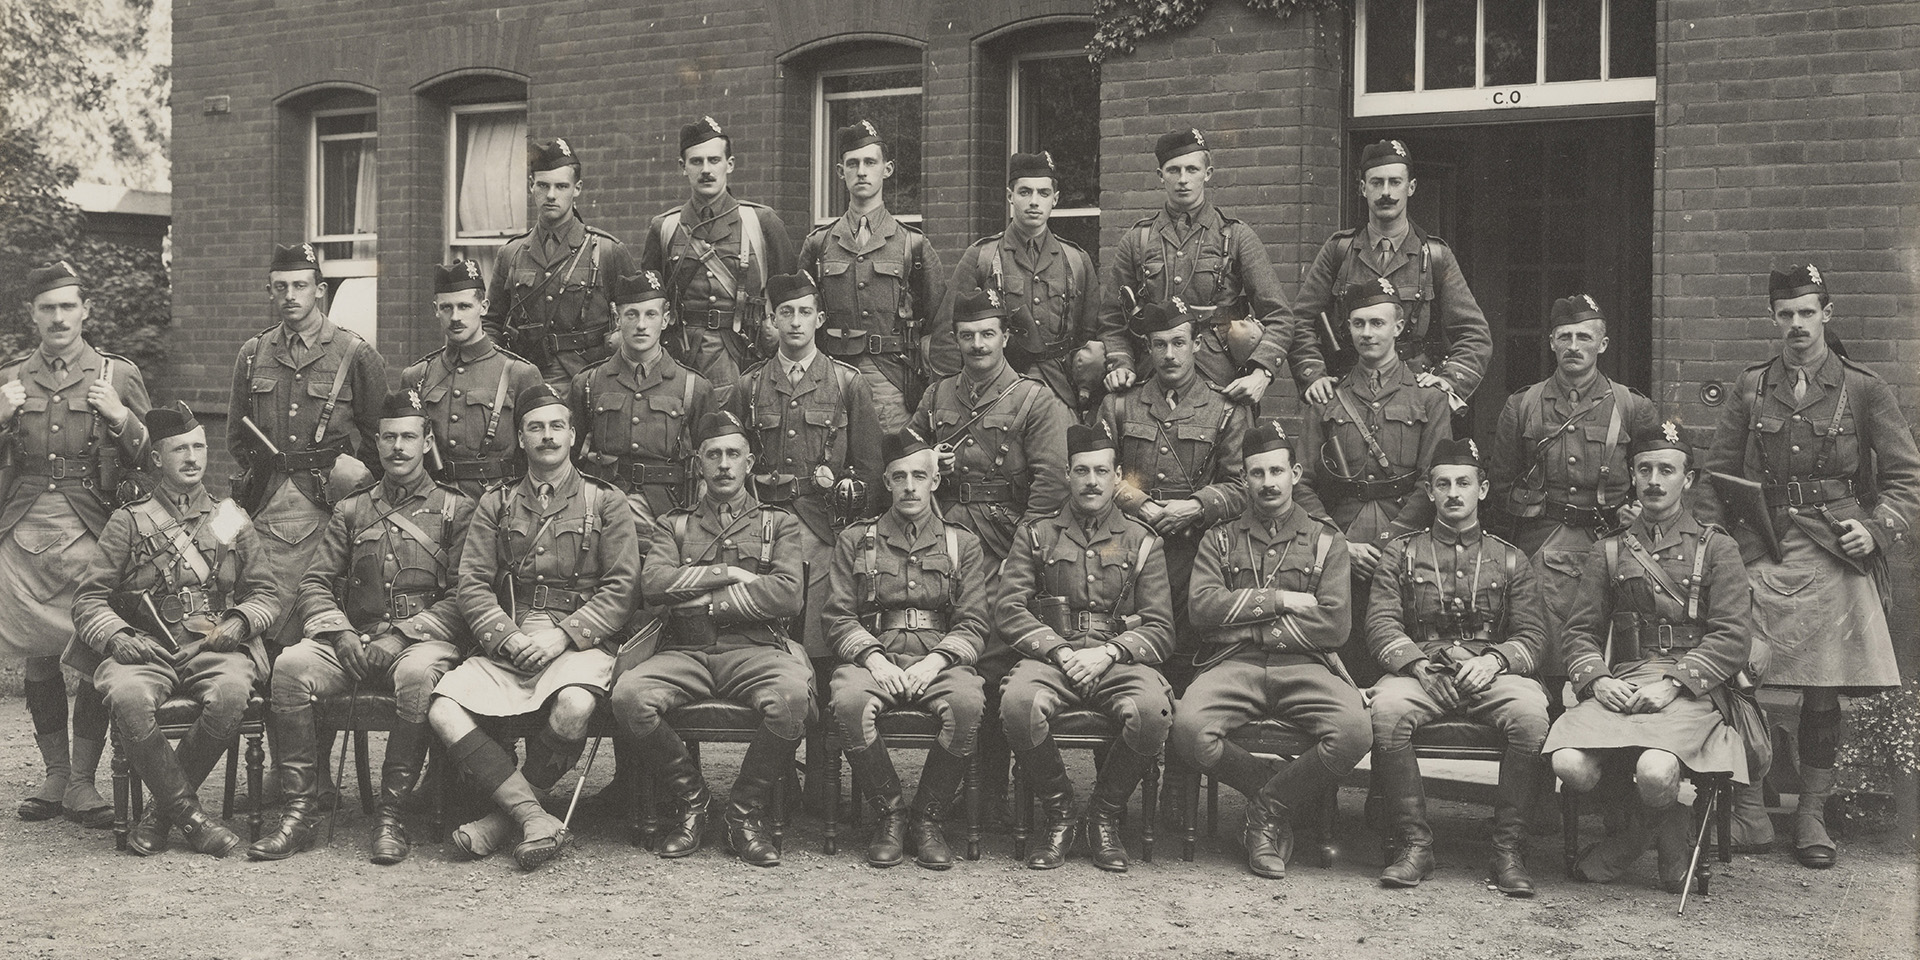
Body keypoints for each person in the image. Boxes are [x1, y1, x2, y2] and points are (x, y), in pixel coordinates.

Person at [1702, 264, 1919, 869]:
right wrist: (1713, 549)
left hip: (1834, 549)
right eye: (1786, 314)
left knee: (1822, 690)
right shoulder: (1752, 386)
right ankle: (1749, 809)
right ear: (1772, 318)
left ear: (1827, 313)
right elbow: (1716, 476)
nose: (1797, 324)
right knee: (1739, 674)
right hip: (1761, 547)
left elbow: (1907, 478)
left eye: (1807, 312)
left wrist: (1876, 529)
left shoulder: (1864, 388)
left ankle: (1811, 815)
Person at [249, 392, 475, 864]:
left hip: (422, 644)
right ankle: (299, 812)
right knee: (290, 665)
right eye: (389, 437)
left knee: (416, 676)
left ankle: (391, 816)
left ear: (426, 442)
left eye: (408, 437)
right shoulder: (352, 509)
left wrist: (402, 636)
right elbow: (315, 582)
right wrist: (339, 632)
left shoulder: (455, 509)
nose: (398, 447)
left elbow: (464, 595)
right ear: (378, 442)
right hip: (356, 641)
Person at [429, 383, 640, 870]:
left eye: (556, 426)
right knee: (443, 708)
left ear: (573, 436)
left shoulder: (606, 502)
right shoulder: (497, 502)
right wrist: (508, 638)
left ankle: (503, 821)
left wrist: (563, 636)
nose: (547, 436)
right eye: (536, 428)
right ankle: (532, 817)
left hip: (579, 644)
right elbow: (472, 584)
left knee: (575, 704)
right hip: (511, 640)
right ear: (520, 438)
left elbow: (623, 588)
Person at [1548, 422, 1758, 891]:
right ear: (1632, 476)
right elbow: (1579, 631)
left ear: (1688, 479)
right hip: (1624, 681)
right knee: (1569, 764)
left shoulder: (1717, 547)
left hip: (1694, 690)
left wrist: (1674, 684)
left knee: (1655, 769)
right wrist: (1597, 680)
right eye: (1644, 470)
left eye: (1667, 470)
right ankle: (1663, 824)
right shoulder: (1609, 549)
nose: (1654, 481)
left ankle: (1639, 840)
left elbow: (1731, 636)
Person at [72, 402, 278, 857]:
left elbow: (266, 593)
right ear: (157, 458)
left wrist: (238, 622)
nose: (192, 457)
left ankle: (161, 816)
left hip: (213, 647)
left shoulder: (229, 517)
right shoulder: (129, 520)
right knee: (127, 697)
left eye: (199, 447)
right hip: (146, 650)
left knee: (232, 693)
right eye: (180, 449)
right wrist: (118, 637)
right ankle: (191, 816)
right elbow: (88, 599)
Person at [1488, 293, 1658, 832]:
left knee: (1617, 669)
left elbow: (1657, 476)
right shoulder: (1523, 406)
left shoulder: (1632, 407)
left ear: (1603, 343)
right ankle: (1537, 794)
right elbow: (1499, 488)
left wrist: (1637, 510)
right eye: (1565, 336)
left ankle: (1615, 800)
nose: (1574, 345)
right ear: (1551, 343)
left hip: (1614, 550)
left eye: (1586, 336)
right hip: (1545, 548)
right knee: (1542, 671)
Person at [1172, 420, 1369, 880]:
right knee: (1188, 729)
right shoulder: (1220, 538)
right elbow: (1203, 609)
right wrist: (1279, 600)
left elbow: (1334, 625)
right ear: (1244, 478)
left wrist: (1249, 630)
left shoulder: (1326, 540)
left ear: (1295, 474)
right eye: (1257, 473)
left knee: (1355, 731)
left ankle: (1267, 808)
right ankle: (1277, 794)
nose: (1268, 483)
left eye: (1277, 471)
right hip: (1233, 666)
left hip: (1305, 665)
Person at [613, 411, 812, 867]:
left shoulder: (778, 524)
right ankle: (693, 801)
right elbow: (654, 583)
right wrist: (731, 573)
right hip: (686, 651)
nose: (724, 464)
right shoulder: (674, 525)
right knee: (629, 696)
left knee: (792, 698)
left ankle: (742, 815)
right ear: (698, 462)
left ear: (749, 462)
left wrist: (707, 602)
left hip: (755, 649)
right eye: (714, 455)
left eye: (733, 455)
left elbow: (788, 594)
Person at [912, 287, 1073, 819]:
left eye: (987, 334)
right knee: (948, 648)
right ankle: (957, 779)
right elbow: (903, 461)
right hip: (944, 540)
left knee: (997, 656)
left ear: (1005, 337)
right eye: (967, 336)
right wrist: (927, 460)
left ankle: (992, 789)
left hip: (1005, 540)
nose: (978, 345)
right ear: (956, 340)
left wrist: (1020, 556)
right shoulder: (937, 395)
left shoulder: (1034, 399)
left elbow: (1051, 485)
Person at [2, 260, 150, 829]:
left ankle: (84, 781)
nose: (59, 317)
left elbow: (157, 456)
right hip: (24, 529)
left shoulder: (117, 374)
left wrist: (121, 417)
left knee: (93, 652)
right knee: (39, 655)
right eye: (48, 308)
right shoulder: (10, 377)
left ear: (86, 310)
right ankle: (56, 775)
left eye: (68, 306)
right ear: (32, 315)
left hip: (94, 531)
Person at [1366, 437, 1549, 896]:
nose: (1453, 493)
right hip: (1422, 672)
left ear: (1481, 490)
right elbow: (1381, 624)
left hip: (1490, 674)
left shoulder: (1510, 557)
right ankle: (1415, 846)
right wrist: (1417, 666)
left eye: (1463, 483)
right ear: (1429, 492)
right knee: (1386, 711)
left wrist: (1496, 660)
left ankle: (1508, 851)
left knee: (1530, 715)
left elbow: (1533, 636)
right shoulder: (1401, 553)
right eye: (1443, 484)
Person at [994, 424, 1174, 873]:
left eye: (1101, 471)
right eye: (1081, 471)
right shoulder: (1036, 535)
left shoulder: (1143, 540)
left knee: (1152, 711)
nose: (1091, 481)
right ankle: (1061, 814)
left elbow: (1161, 628)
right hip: (1054, 658)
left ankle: (1103, 816)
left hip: (1117, 660)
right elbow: (1010, 610)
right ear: (1067, 475)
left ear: (1118, 477)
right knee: (1018, 704)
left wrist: (1110, 653)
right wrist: (1059, 651)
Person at [824, 427, 989, 869]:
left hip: (939, 657)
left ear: (935, 480)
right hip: (875, 655)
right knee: (849, 701)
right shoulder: (856, 540)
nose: (910, 486)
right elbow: (838, 617)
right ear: (887, 482)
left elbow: (974, 622)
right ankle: (891, 815)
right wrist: (874, 660)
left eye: (919, 476)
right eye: (900, 477)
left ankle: (927, 818)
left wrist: (935, 662)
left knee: (967, 703)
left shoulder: (961, 543)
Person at [1294, 278, 1451, 687]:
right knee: (1344, 662)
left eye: (1378, 323)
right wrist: (1338, 543)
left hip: (1408, 541)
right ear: (1347, 328)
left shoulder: (1428, 398)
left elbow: (1434, 481)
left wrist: (1390, 545)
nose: (1367, 333)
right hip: (1339, 541)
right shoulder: (1325, 398)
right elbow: (1301, 482)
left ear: (1398, 327)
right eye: (1359, 323)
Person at [229, 242, 385, 648]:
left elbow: (379, 438)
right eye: (280, 287)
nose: (290, 296)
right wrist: (266, 475)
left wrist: (349, 483)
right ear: (269, 291)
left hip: (329, 503)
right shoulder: (253, 354)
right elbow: (237, 438)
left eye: (300, 285)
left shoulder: (354, 353)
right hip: (267, 500)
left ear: (320, 290)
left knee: (322, 602)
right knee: (261, 596)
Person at [1093, 297, 1249, 694]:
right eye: (1159, 344)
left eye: (1179, 343)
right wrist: (1140, 503)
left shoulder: (1225, 408)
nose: (1169, 354)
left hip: (1197, 550)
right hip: (1128, 547)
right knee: (1129, 643)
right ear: (1147, 348)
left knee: (1189, 650)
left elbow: (1242, 486)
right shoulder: (1120, 405)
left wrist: (1196, 506)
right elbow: (1097, 473)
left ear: (1197, 344)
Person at [726, 270, 881, 661]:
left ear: (820, 319)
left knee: (818, 638)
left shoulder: (846, 383)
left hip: (822, 525)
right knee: (758, 635)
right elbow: (728, 454)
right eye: (786, 312)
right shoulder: (750, 385)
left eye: (805, 312)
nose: (796, 322)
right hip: (759, 522)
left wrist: (855, 533)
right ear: (772, 319)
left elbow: (870, 468)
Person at [1287, 139, 1491, 415]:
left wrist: (1449, 381)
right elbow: (1301, 320)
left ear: (1411, 187)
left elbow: (1475, 335)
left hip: (1415, 399)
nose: (1386, 192)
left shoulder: (1435, 256)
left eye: (1395, 182)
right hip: (1347, 395)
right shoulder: (1339, 251)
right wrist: (1314, 375)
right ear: (1363, 188)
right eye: (1376, 183)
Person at [1098, 127, 1292, 406]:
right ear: (1160, 175)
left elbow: (1279, 316)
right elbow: (1111, 320)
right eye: (1173, 170)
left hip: (1219, 376)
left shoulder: (1236, 237)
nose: (1183, 179)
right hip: (1152, 373)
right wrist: (1121, 364)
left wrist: (1261, 373)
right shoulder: (1137, 240)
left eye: (1192, 169)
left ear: (1207, 173)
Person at [798, 119, 944, 431]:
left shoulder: (912, 244)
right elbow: (801, 313)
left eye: (870, 162)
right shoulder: (819, 244)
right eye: (853, 164)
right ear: (841, 172)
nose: (861, 171)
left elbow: (938, 322)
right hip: (830, 378)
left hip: (892, 382)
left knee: (891, 455)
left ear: (887, 169)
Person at [642, 115, 796, 408]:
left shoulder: (760, 222)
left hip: (745, 358)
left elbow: (791, 297)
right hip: (679, 358)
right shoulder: (664, 227)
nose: (706, 170)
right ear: (682, 167)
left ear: (730, 164)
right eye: (696, 161)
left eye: (714, 160)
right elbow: (648, 301)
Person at [935, 151, 1102, 414]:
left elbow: (1090, 335)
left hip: (1058, 390)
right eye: (1025, 192)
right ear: (1010, 196)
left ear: (1055, 199)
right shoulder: (982, 256)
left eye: (1043, 193)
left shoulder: (1076, 260)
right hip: (995, 391)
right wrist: (954, 401)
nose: (1034, 201)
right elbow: (947, 334)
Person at [482, 137, 635, 384]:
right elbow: (491, 323)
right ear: (531, 186)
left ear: (577, 188)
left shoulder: (607, 251)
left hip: (589, 379)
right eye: (543, 186)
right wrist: (504, 371)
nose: (551, 195)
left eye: (561, 186)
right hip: (526, 380)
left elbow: (636, 318)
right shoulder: (511, 253)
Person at [572, 268, 714, 533]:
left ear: (666, 319)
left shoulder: (694, 387)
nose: (641, 324)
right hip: (601, 513)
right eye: (631, 314)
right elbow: (569, 458)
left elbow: (711, 465)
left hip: (668, 514)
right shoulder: (589, 383)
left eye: (651, 314)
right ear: (617, 318)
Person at [402, 259, 543, 499]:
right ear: (435, 309)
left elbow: (538, 454)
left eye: (465, 306)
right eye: (446, 308)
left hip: (497, 504)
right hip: (431, 502)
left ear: (484, 307)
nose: (455, 317)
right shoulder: (417, 376)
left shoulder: (519, 373)